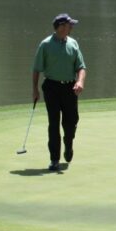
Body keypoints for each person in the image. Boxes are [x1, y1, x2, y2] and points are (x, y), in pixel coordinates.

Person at [32, 14, 87, 171]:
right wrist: (34, 89)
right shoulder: (45, 45)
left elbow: (81, 67)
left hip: (70, 88)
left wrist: (80, 81)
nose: (72, 28)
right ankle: (54, 159)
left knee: (71, 122)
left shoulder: (73, 43)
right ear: (61, 26)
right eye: (70, 25)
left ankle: (68, 144)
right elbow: (36, 69)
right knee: (53, 123)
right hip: (51, 88)